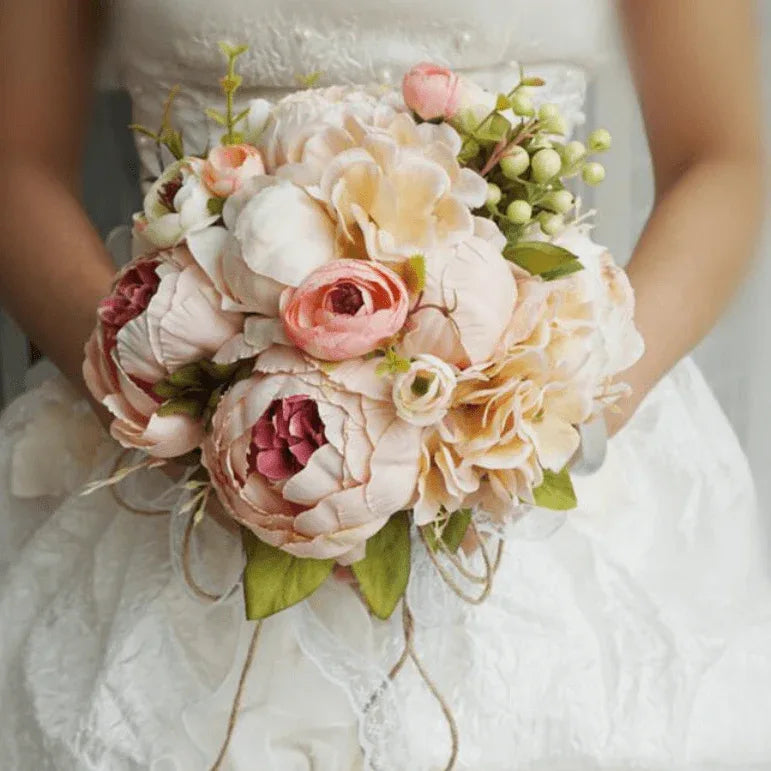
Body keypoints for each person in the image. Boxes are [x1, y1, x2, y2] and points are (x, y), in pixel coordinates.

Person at [0, 1, 767, 769]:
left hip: (543, 450)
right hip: (174, 456)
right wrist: (182, 410)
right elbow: (17, 164)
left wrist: (551, 414)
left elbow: (721, 156)